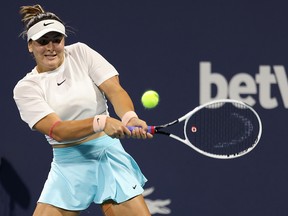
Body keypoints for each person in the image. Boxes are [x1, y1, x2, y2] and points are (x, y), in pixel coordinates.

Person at [13, 4, 153, 216]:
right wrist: (101, 122)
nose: (51, 47)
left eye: (56, 40)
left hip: (108, 155)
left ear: (63, 40)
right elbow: (57, 130)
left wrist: (129, 117)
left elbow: (114, 90)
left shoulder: (81, 53)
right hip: (68, 164)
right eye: (43, 41)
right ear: (30, 46)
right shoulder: (26, 88)